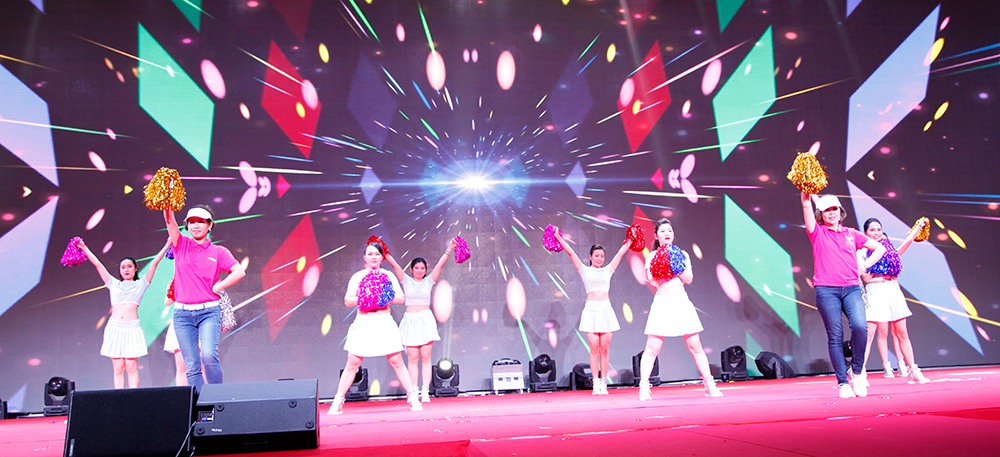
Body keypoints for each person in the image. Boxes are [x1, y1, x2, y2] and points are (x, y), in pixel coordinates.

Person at [801, 193, 886, 398]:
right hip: (826, 290)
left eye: (834, 209)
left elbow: (879, 248)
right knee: (835, 335)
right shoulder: (817, 232)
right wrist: (805, 187)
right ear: (820, 214)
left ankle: (856, 372)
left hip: (852, 288)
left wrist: (864, 266)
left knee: (860, 327)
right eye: (827, 210)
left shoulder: (852, 234)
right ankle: (842, 383)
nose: (831, 213)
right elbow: (805, 203)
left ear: (840, 212)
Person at [329, 242, 422, 415]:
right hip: (363, 322)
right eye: (370, 254)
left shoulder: (388, 275)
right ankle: (338, 401)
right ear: (364, 257)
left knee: (397, 361)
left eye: (377, 254)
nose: (373, 257)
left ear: (382, 257)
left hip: (384, 321)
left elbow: (401, 298)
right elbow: (348, 300)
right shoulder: (358, 277)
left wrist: (383, 295)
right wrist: (366, 297)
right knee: (352, 362)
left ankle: (413, 397)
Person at [638, 218, 722, 400]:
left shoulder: (682, 254)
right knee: (652, 348)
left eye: (669, 230)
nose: (667, 233)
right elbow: (651, 280)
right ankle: (644, 386)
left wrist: (675, 264)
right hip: (662, 303)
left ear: (673, 234)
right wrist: (663, 264)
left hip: (681, 302)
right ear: (656, 236)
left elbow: (689, 279)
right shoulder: (652, 256)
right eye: (662, 231)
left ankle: (709, 384)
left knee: (695, 346)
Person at [164, 206, 245, 387]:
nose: (196, 225)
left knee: (208, 356)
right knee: (191, 364)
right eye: (192, 222)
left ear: (210, 225)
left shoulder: (219, 251)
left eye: (201, 222)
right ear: (187, 226)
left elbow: (239, 271)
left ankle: (217, 398)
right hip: (182, 315)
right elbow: (169, 221)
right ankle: (199, 401)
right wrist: (167, 203)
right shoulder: (181, 244)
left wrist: (219, 286)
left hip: (209, 312)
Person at [77, 238, 169, 388]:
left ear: (135, 269)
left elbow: (154, 263)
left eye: (129, 266)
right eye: (123, 267)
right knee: (118, 368)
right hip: (114, 328)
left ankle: (132, 398)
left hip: (132, 328)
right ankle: (119, 398)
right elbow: (98, 264)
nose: (126, 269)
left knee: (131, 367)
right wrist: (85, 249)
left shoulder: (141, 283)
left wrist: (167, 244)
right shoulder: (113, 283)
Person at [552, 228, 629, 395]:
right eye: (596, 255)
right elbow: (571, 253)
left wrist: (630, 240)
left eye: (602, 256)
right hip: (591, 310)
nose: (599, 258)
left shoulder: (608, 270)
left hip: (606, 310)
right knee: (594, 349)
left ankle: (604, 382)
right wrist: (558, 237)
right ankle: (595, 383)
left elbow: (620, 253)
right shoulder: (584, 270)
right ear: (590, 257)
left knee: (605, 349)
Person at [385, 238, 458, 402]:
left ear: (425, 270)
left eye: (422, 268)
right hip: (410, 320)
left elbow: (440, 264)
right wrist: (385, 253)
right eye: (416, 268)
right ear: (411, 269)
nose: (419, 270)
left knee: (426, 357)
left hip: (425, 320)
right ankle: (413, 391)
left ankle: (425, 390)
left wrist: (450, 248)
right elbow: (395, 265)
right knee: (412, 359)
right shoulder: (406, 280)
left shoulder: (429, 281)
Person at [859, 218, 931, 384]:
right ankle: (860, 372)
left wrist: (919, 227)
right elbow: (867, 279)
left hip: (893, 292)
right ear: (865, 233)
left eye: (879, 229)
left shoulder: (890, 252)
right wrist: (885, 277)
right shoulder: (862, 252)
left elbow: (907, 242)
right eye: (872, 230)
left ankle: (913, 369)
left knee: (902, 333)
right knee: (868, 335)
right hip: (875, 294)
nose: (876, 233)